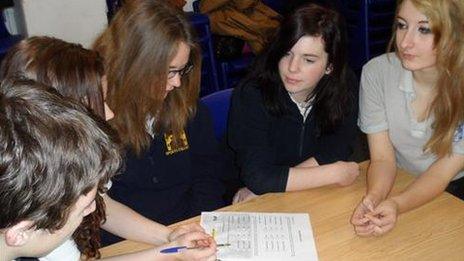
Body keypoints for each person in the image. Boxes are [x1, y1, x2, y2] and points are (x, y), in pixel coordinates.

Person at [0, 37, 217, 260]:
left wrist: (172, 245)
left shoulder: (39, 189)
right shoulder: (41, 210)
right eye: (97, 101)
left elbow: (103, 204)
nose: (110, 113)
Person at [93, 0, 224, 242]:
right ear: (133, 66)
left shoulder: (187, 107)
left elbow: (208, 176)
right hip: (124, 241)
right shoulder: (97, 114)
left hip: (187, 230)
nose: (177, 83)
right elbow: (98, 207)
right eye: (169, 71)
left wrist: (194, 227)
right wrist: (168, 238)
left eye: (181, 70)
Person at [351, 0, 464, 237]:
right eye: (402, 25)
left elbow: (442, 173)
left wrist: (398, 204)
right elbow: (382, 159)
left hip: (455, 187)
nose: (405, 42)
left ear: (455, 33)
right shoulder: (377, 73)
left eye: (424, 29)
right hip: (401, 177)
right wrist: (374, 198)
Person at [228, 3, 360, 203]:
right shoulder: (252, 93)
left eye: (308, 60)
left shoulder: (344, 84)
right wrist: (333, 174)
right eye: (287, 53)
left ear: (330, 67)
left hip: (300, 194)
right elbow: (257, 175)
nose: (292, 68)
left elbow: (336, 149)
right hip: (246, 200)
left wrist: (270, 186)